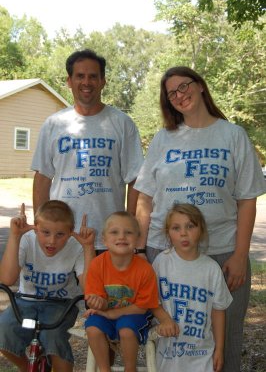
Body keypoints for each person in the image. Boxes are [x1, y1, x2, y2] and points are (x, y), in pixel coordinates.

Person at [134, 66, 266, 371]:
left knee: (225, 338)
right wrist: (141, 250)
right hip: (163, 251)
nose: (180, 95)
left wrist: (240, 253)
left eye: (184, 86)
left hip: (222, 252)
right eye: (172, 93)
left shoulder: (233, 135)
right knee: (169, 336)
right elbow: (145, 198)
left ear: (201, 86)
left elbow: (247, 200)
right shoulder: (163, 139)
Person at [31, 48, 144, 253]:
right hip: (62, 237)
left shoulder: (122, 123)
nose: (86, 82)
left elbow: (135, 180)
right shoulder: (54, 124)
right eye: (80, 76)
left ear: (103, 81)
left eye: (93, 76)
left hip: (110, 238)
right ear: (69, 81)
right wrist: (42, 228)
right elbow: (43, 177)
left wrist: (129, 227)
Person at [0, 200, 95, 372]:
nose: (52, 241)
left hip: (61, 303)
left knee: (53, 337)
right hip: (25, 300)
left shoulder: (77, 247)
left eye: (60, 235)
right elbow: (7, 279)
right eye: (45, 232)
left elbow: (90, 289)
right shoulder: (26, 240)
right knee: (3, 331)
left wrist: (88, 248)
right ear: (35, 228)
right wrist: (15, 236)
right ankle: (28, 367)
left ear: (70, 232)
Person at [84, 211, 179, 372]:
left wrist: (112, 314)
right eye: (114, 232)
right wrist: (99, 302)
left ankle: (130, 368)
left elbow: (143, 306)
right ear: (104, 240)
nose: (121, 237)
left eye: (128, 232)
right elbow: (96, 298)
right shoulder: (97, 265)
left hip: (133, 314)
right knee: (92, 328)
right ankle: (104, 369)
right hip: (105, 313)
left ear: (137, 239)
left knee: (126, 329)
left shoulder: (145, 270)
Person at [153, 203, 232, 372]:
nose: (183, 233)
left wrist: (219, 348)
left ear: (201, 230)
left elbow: (219, 310)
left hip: (202, 352)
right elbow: (151, 300)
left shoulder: (211, 268)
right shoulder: (161, 262)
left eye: (190, 226)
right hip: (168, 352)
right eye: (176, 228)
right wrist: (164, 320)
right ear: (168, 233)